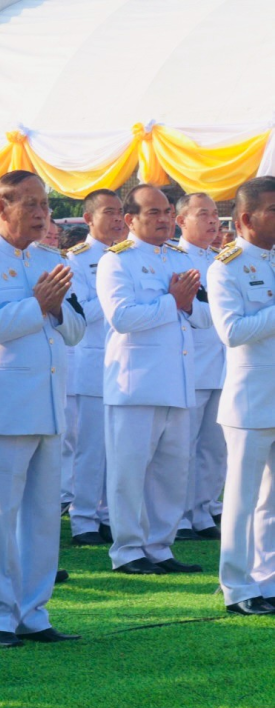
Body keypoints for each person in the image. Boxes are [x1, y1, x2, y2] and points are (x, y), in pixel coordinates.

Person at [0, 170, 86, 648]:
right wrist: (36, 305)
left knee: (43, 516)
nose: (41, 213)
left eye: (44, 204)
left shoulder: (52, 259)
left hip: (48, 404)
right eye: (29, 203)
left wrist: (55, 308)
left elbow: (75, 331)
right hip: (4, 408)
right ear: (0, 207)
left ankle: (35, 611)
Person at [98, 184, 208, 575]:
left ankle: (160, 547)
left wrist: (185, 304)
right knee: (129, 473)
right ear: (130, 219)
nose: (164, 219)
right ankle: (128, 551)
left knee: (171, 472)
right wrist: (172, 302)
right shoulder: (117, 261)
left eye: (166, 212)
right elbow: (122, 317)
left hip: (177, 381)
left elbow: (204, 315)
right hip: (135, 384)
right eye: (153, 212)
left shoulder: (178, 257)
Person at [206, 175, 275, 614]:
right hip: (250, 400)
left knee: (273, 502)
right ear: (247, 218)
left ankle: (268, 579)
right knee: (242, 499)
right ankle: (237, 586)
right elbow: (231, 332)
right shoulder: (225, 266)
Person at [66, 190, 125, 546]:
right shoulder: (77, 259)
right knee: (90, 448)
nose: (118, 218)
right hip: (93, 362)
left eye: (121, 211)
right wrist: (115, 296)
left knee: (116, 447)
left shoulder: (127, 256)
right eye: (109, 212)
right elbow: (79, 313)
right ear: (88, 218)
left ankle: (106, 515)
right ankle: (84, 519)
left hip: (126, 365)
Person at [175, 192, 226, 541]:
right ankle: (178, 515)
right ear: (181, 220)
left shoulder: (222, 260)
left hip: (222, 366)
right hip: (190, 367)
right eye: (203, 214)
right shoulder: (173, 259)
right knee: (183, 447)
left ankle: (203, 509)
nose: (213, 221)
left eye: (216, 214)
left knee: (214, 447)